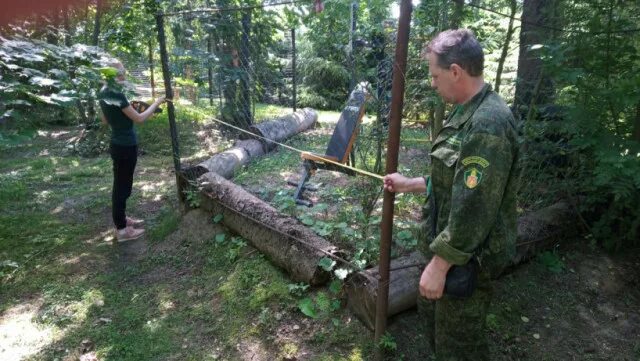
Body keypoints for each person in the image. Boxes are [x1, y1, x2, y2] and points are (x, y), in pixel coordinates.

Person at [383, 29, 519, 360]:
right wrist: (411, 183)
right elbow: (456, 180)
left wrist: (440, 265)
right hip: (449, 251)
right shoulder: (465, 109)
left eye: (435, 75)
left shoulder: (489, 124)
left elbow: (475, 207)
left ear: (455, 71)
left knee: (458, 347)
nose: (433, 83)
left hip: (467, 261)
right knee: (437, 334)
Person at [99, 60, 166, 242]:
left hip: (116, 144)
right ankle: (122, 231)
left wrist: (126, 110)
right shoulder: (117, 94)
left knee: (120, 184)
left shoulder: (103, 92)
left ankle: (121, 220)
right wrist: (157, 102)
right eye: (123, 72)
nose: (125, 75)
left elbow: (105, 120)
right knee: (122, 186)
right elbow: (139, 118)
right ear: (117, 75)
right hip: (126, 145)